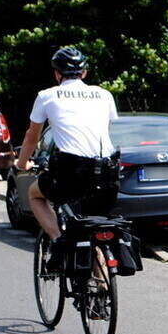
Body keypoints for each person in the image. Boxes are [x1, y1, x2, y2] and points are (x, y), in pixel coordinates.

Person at [15, 47, 119, 245]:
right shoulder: (104, 95)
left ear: (57, 74)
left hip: (72, 171)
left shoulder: (47, 96)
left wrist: (21, 164)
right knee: (95, 232)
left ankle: (58, 239)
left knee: (34, 194)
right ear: (84, 73)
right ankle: (102, 274)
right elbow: (106, 129)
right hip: (107, 170)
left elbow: (31, 137)